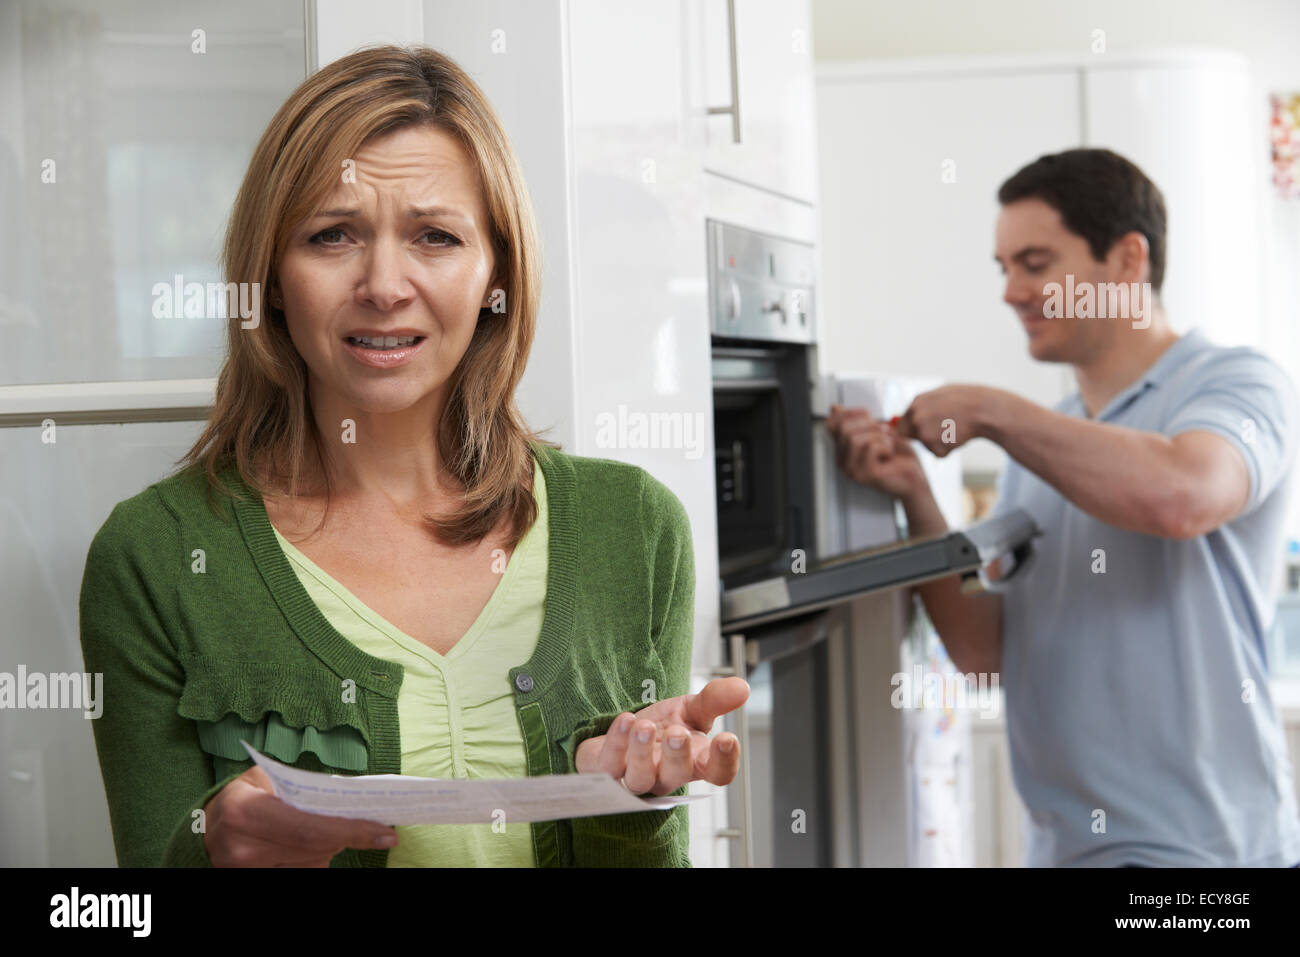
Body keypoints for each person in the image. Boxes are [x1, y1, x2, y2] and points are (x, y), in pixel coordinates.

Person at [78, 43, 747, 868]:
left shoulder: (636, 529)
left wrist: (624, 805)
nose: (385, 285)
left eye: (434, 236)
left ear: (494, 268)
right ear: (272, 278)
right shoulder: (154, 558)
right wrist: (215, 852)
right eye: (332, 235)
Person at [827, 148, 1300, 867]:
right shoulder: (1043, 445)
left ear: (1127, 260)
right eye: (1003, 266)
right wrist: (917, 498)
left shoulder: (1235, 383)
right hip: (1067, 852)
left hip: (1205, 858)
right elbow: (987, 652)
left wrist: (991, 410)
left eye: (1036, 262)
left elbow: (1184, 494)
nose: (1012, 290)